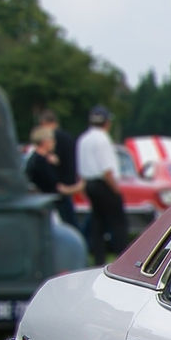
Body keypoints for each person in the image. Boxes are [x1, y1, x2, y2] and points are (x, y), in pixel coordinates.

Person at [76, 105, 128, 265]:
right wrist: (116, 190)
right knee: (118, 223)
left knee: (97, 222)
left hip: (90, 183)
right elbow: (107, 170)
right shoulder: (103, 139)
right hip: (103, 184)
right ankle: (122, 257)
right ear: (106, 122)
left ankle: (99, 257)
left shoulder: (83, 139)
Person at [25, 124, 82, 223]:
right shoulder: (41, 163)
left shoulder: (36, 160)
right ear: (44, 142)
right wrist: (78, 187)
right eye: (52, 140)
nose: (54, 143)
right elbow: (54, 186)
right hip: (52, 204)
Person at [36, 110, 79, 226]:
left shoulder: (53, 138)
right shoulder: (68, 137)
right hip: (69, 181)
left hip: (58, 185)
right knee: (68, 218)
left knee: (62, 218)